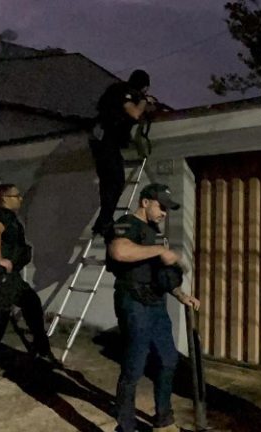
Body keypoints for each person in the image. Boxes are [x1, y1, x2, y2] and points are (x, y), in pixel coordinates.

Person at [105, 183, 200, 432]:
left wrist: (180, 294)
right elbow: (118, 251)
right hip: (133, 300)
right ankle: (126, 426)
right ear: (145, 202)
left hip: (156, 303)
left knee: (168, 360)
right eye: (161, 207)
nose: (164, 214)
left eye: (167, 210)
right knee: (135, 365)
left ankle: (164, 419)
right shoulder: (126, 223)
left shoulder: (156, 233)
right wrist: (159, 251)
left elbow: (163, 274)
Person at [0, 183, 58, 373]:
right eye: (16, 196)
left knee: (31, 302)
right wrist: (0, 259)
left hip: (11, 277)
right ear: (5, 199)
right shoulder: (3, 216)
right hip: (3, 276)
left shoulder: (9, 217)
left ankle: (41, 347)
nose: (20, 199)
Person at [91, 69, 156, 236]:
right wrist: (143, 101)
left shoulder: (117, 89)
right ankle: (105, 221)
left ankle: (103, 221)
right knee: (116, 181)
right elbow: (134, 113)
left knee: (108, 182)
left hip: (101, 141)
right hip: (105, 141)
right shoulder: (125, 92)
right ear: (144, 87)